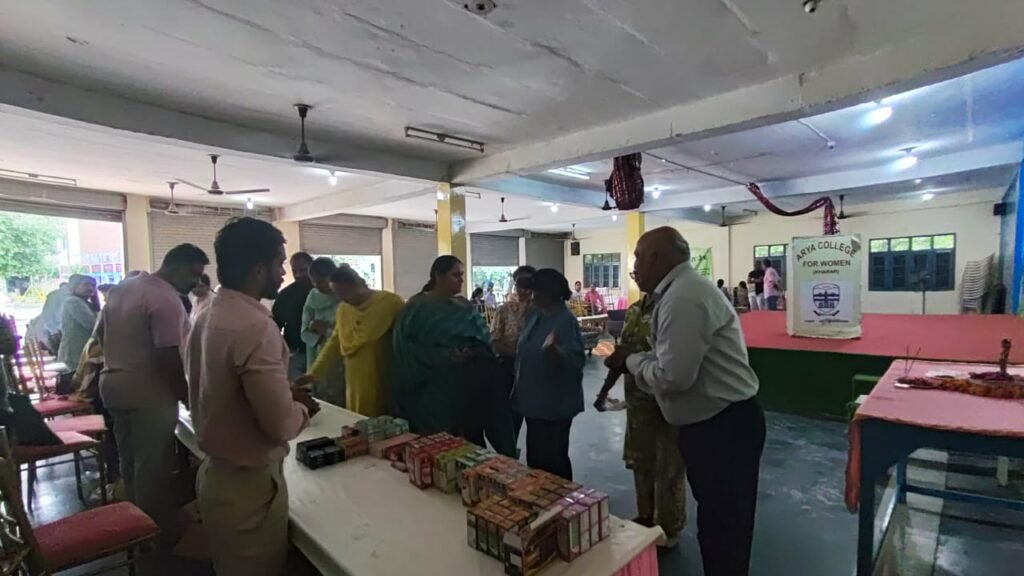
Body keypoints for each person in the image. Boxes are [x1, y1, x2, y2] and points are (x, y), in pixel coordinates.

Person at [605, 227, 764, 576]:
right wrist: (641, 360)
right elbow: (670, 361)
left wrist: (632, 360)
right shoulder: (680, 291)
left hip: (723, 427)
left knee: (724, 528)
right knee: (720, 523)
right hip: (714, 423)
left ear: (657, 258)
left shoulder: (682, 298)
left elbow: (673, 377)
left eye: (637, 258)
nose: (634, 267)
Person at [187, 217, 317, 576]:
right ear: (259, 268)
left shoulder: (207, 313)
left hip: (218, 476)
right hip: (248, 489)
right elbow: (281, 425)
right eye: (280, 264)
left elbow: (224, 388)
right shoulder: (255, 326)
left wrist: (281, 393)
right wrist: (300, 407)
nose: (283, 274)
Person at [98, 243, 209, 550]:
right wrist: (188, 398)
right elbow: (167, 357)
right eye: (193, 274)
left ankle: (133, 527)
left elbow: (100, 334)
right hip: (148, 390)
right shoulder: (165, 297)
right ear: (176, 266)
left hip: (113, 384)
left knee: (130, 461)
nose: (196, 282)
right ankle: (153, 537)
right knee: (153, 468)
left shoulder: (124, 287)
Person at [392, 256, 514, 456]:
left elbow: (484, 339)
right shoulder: (417, 307)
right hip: (434, 390)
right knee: (439, 446)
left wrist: (474, 351)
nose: (461, 280)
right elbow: (405, 348)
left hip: (469, 387)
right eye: (455, 275)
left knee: (470, 444)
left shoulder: (465, 306)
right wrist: (444, 355)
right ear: (438, 276)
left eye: (462, 275)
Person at [596, 292, 687, 548]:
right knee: (641, 461)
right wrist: (604, 392)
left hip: (665, 402)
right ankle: (645, 517)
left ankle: (669, 528)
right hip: (638, 404)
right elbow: (621, 357)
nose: (636, 274)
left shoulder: (672, 307)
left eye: (639, 270)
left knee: (668, 465)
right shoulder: (635, 310)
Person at [299, 265, 404, 417]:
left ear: (358, 283)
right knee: (357, 420)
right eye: (338, 294)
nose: (342, 298)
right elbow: (334, 344)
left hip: (383, 374)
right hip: (355, 379)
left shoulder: (389, 303)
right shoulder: (344, 310)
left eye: (344, 293)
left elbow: (405, 339)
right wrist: (314, 373)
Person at [514, 269, 585, 480]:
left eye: (535, 291)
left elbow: (576, 362)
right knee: (536, 458)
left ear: (549, 293)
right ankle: (539, 495)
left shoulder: (565, 320)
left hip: (554, 404)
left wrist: (556, 351)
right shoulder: (536, 315)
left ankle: (561, 497)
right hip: (532, 401)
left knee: (554, 459)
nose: (531, 295)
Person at [490, 265, 535, 442]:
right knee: (510, 420)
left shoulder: (541, 311)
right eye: (519, 284)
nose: (523, 289)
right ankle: (510, 451)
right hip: (509, 369)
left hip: (535, 372)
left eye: (528, 284)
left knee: (536, 423)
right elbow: (495, 342)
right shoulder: (504, 310)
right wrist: (517, 355)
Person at [300, 257, 344, 406]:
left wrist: (326, 331)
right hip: (316, 353)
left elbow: (346, 331)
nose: (317, 286)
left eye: (321, 281)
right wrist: (319, 336)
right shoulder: (313, 296)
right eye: (313, 281)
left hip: (340, 357)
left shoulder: (343, 296)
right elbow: (305, 329)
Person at [272, 252, 313, 379]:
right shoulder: (286, 295)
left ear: (312, 268)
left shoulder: (326, 292)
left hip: (322, 350)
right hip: (296, 353)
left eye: (303, 270)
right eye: (295, 271)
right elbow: (275, 326)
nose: (299, 275)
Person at [56, 275, 99, 390]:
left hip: (81, 350)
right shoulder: (73, 302)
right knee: (78, 387)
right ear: (75, 286)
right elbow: (92, 324)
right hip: (74, 352)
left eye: (93, 285)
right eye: (86, 285)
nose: (90, 288)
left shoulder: (85, 303)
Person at [35, 281, 71, 353]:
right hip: (62, 331)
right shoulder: (71, 295)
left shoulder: (53, 295)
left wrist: (53, 331)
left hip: (56, 331)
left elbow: (47, 315)